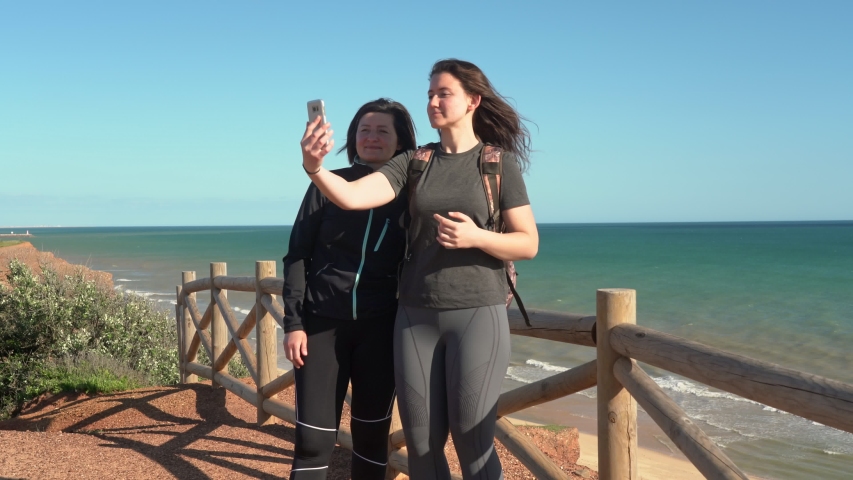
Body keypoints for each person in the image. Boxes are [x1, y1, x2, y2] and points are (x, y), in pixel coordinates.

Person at [298, 59, 539, 480]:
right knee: (423, 445)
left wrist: (478, 238)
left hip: (477, 312)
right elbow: (354, 197)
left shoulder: (496, 164)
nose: (432, 101)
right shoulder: (415, 161)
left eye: (443, 93)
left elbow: (528, 242)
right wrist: (315, 168)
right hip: (413, 316)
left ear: (472, 101)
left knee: (473, 440)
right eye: (429, 93)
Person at [282, 98, 417, 479]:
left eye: (382, 131)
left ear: (401, 142)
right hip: (321, 327)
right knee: (313, 440)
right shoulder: (326, 184)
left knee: (372, 439)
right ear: (353, 138)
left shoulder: (414, 196)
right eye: (364, 130)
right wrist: (294, 322)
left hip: (381, 329)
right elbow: (296, 256)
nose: (371, 138)